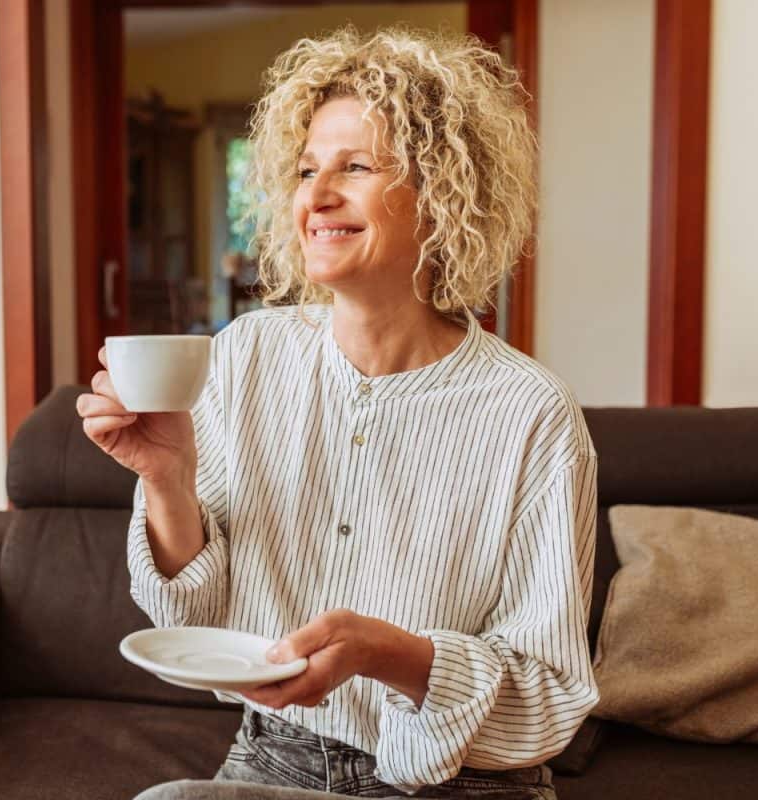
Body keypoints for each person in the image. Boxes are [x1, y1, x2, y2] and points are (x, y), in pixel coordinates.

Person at [78, 26, 598, 800]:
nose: (316, 198)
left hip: (464, 782)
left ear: (445, 195)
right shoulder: (244, 357)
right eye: (306, 170)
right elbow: (199, 617)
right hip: (276, 757)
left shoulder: (532, 413)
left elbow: (548, 696)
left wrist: (387, 654)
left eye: (355, 168)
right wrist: (167, 478)